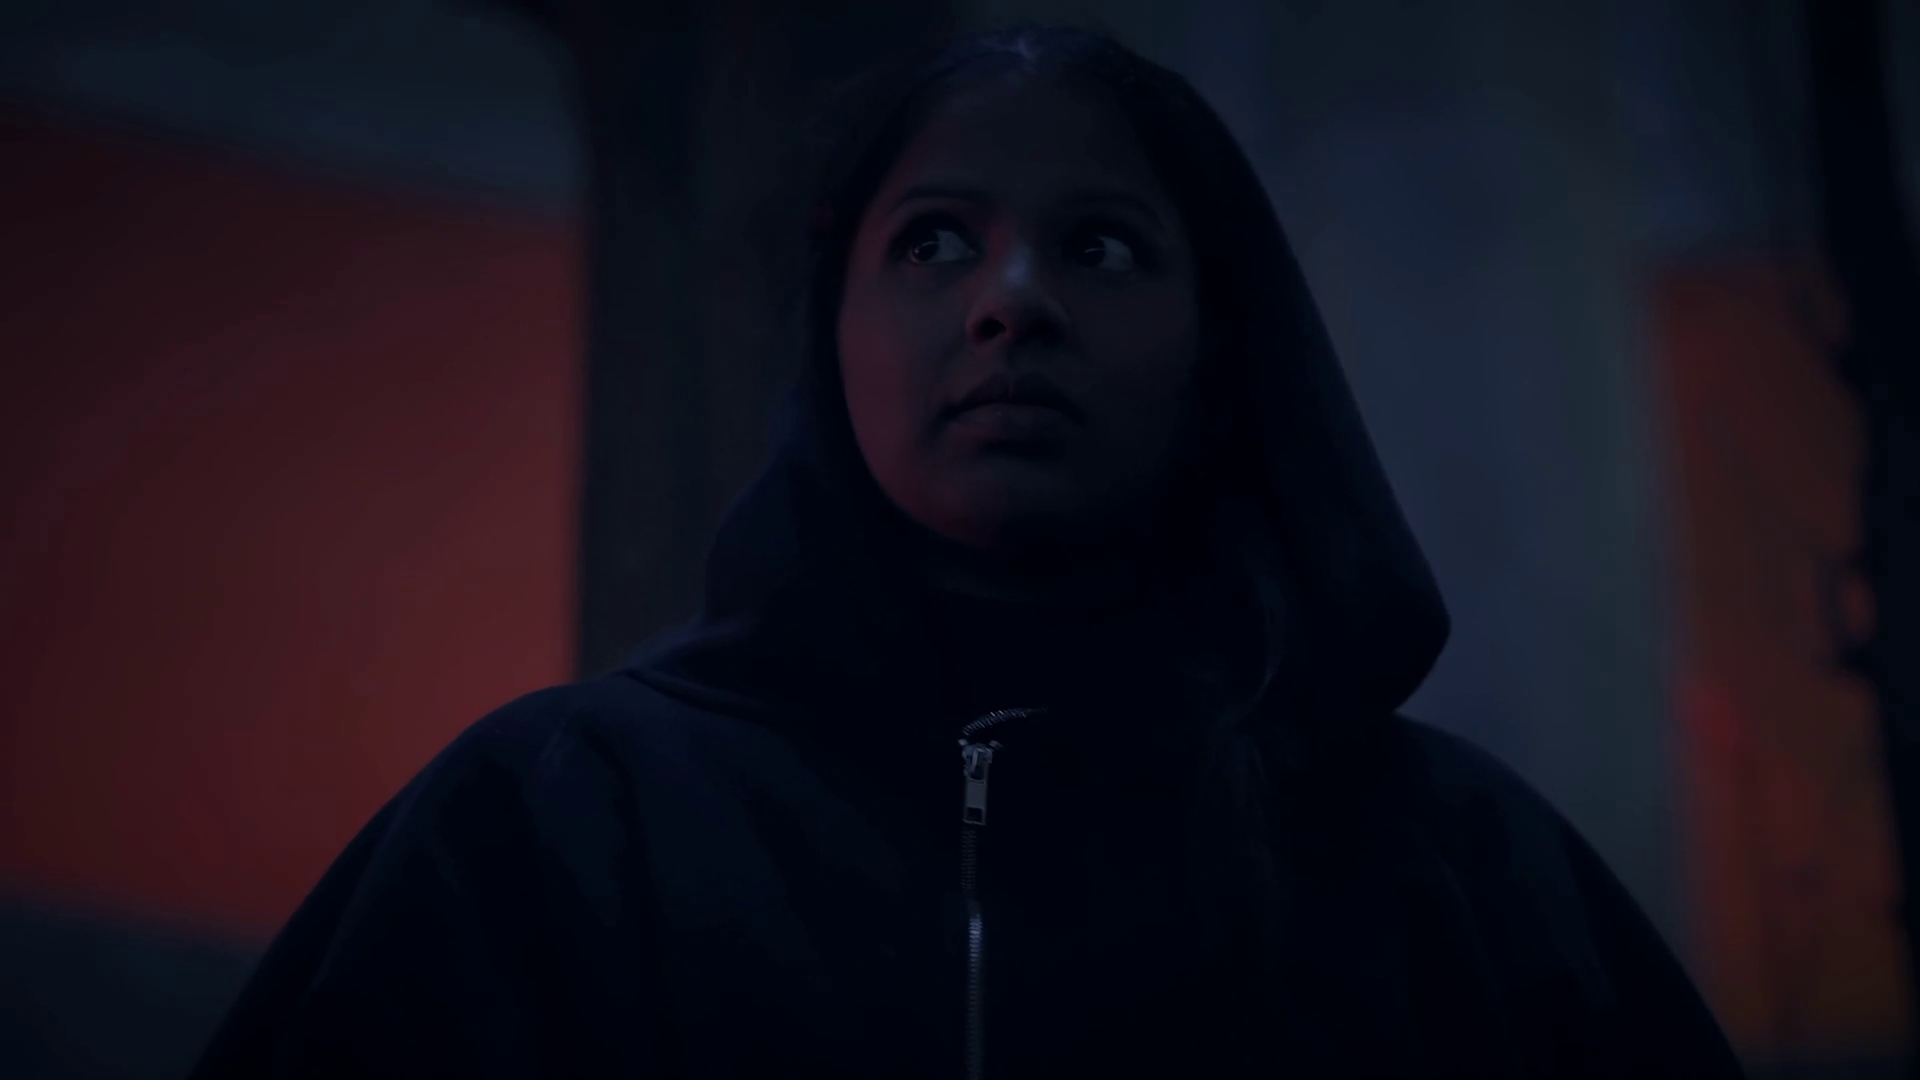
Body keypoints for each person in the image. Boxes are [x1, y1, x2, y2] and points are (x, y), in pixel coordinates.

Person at [193, 23, 1744, 1079]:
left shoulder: (1462, 878)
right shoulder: (552, 827)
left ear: (1222, 351)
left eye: (1101, 244)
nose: (1013, 301)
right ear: (834, 338)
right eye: (935, 240)